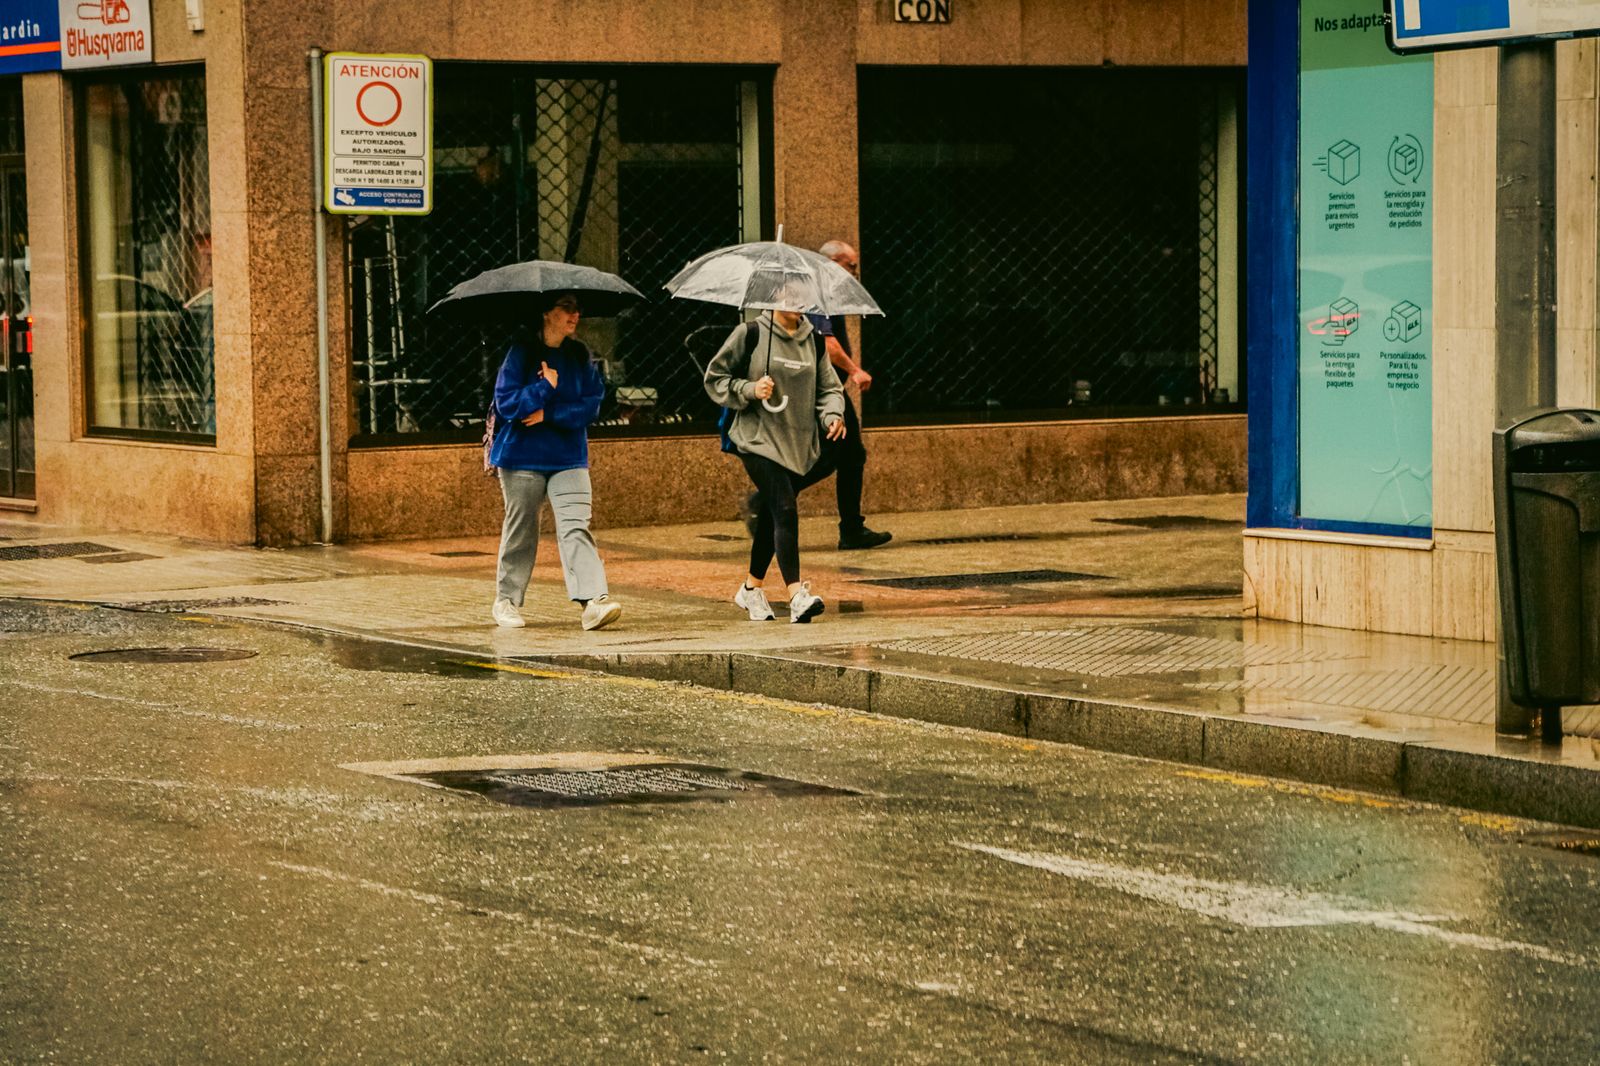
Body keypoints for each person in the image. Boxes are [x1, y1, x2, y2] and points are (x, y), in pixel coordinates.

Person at [488, 292, 622, 631]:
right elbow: (506, 404)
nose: (575, 315)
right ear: (547, 313)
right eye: (566, 308)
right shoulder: (521, 352)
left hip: (568, 457)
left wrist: (549, 413)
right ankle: (506, 600)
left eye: (577, 309)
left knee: (576, 526)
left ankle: (593, 601)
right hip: (522, 456)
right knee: (522, 529)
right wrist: (544, 388)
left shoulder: (579, 355)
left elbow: (592, 406)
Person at [706, 302, 846, 623]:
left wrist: (832, 415)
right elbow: (715, 378)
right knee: (784, 508)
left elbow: (829, 389)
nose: (797, 301)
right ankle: (797, 596)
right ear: (773, 296)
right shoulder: (751, 333)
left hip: (796, 443)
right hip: (756, 439)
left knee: (772, 515)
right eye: (789, 293)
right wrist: (750, 388)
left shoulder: (814, 341)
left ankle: (750, 589)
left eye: (802, 294)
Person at [810, 239, 892, 550]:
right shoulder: (817, 294)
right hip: (824, 389)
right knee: (837, 456)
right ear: (832, 263)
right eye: (851, 266)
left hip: (829, 387)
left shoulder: (827, 294)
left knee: (849, 456)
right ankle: (768, 498)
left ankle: (852, 529)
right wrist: (855, 370)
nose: (855, 273)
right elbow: (827, 344)